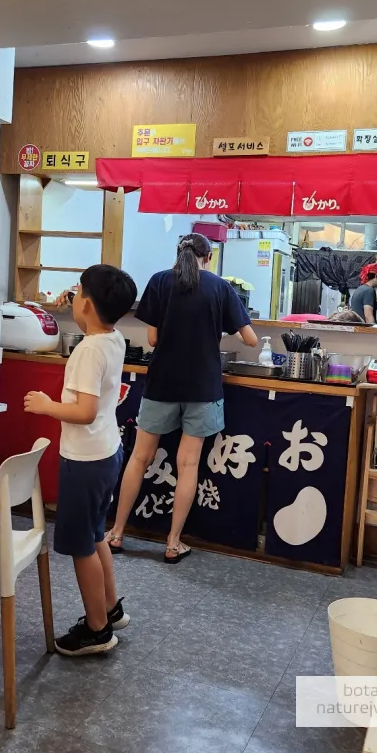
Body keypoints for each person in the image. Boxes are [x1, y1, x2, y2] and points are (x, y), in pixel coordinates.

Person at [106, 233, 258, 563]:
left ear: (178, 254)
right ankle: (173, 543)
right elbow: (250, 339)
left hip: (162, 383)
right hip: (202, 387)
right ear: (209, 257)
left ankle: (116, 533)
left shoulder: (159, 281)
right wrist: (220, 328)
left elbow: (152, 338)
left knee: (139, 457)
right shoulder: (221, 287)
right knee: (188, 464)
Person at [24, 263, 137, 657]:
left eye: (78, 291)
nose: (73, 296)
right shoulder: (113, 338)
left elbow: (85, 411)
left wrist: (46, 405)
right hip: (106, 452)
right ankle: (109, 607)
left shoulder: (88, 351)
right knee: (94, 534)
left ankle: (97, 629)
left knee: (81, 545)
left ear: (86, 304)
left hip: (86, 460)